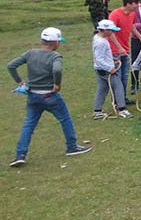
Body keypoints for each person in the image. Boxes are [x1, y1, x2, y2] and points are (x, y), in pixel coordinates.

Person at [7, 27, 91, 167]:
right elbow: (57, 69)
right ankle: (72, 146)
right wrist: (57, 84)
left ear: (42, 40)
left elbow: (11, 66)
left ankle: (20, 155)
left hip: (33, 95)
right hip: (50, 95)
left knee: (29, 124)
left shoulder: (30, 53)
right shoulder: (55, 57)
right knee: (65, 119)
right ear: (55, 43)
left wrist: (19, 81)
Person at [108, 0, 141, 105]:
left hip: (126, 50)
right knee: (116, 76)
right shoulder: (115, 14)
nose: (137, 6)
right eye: (135, 3)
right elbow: (110, 32)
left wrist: (140, 37)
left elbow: (131, 26)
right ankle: (116, 100)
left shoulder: (132, 14)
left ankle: (122, 98)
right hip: (115, 51)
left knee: (124, 76)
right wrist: (119, 48)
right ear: (128, 4)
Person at [92, 20, 133, 119]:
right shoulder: (101, 42)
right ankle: (122, 109)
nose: (112, 33)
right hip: (105, 70)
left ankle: (97, 111)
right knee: (118, 86)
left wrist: (112, 59)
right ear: (105, 30)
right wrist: (110, 68)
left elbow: (101, 56)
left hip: (100, 69)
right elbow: (99, 59)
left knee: (102, 89)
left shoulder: (98, 38)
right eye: (111, 30)